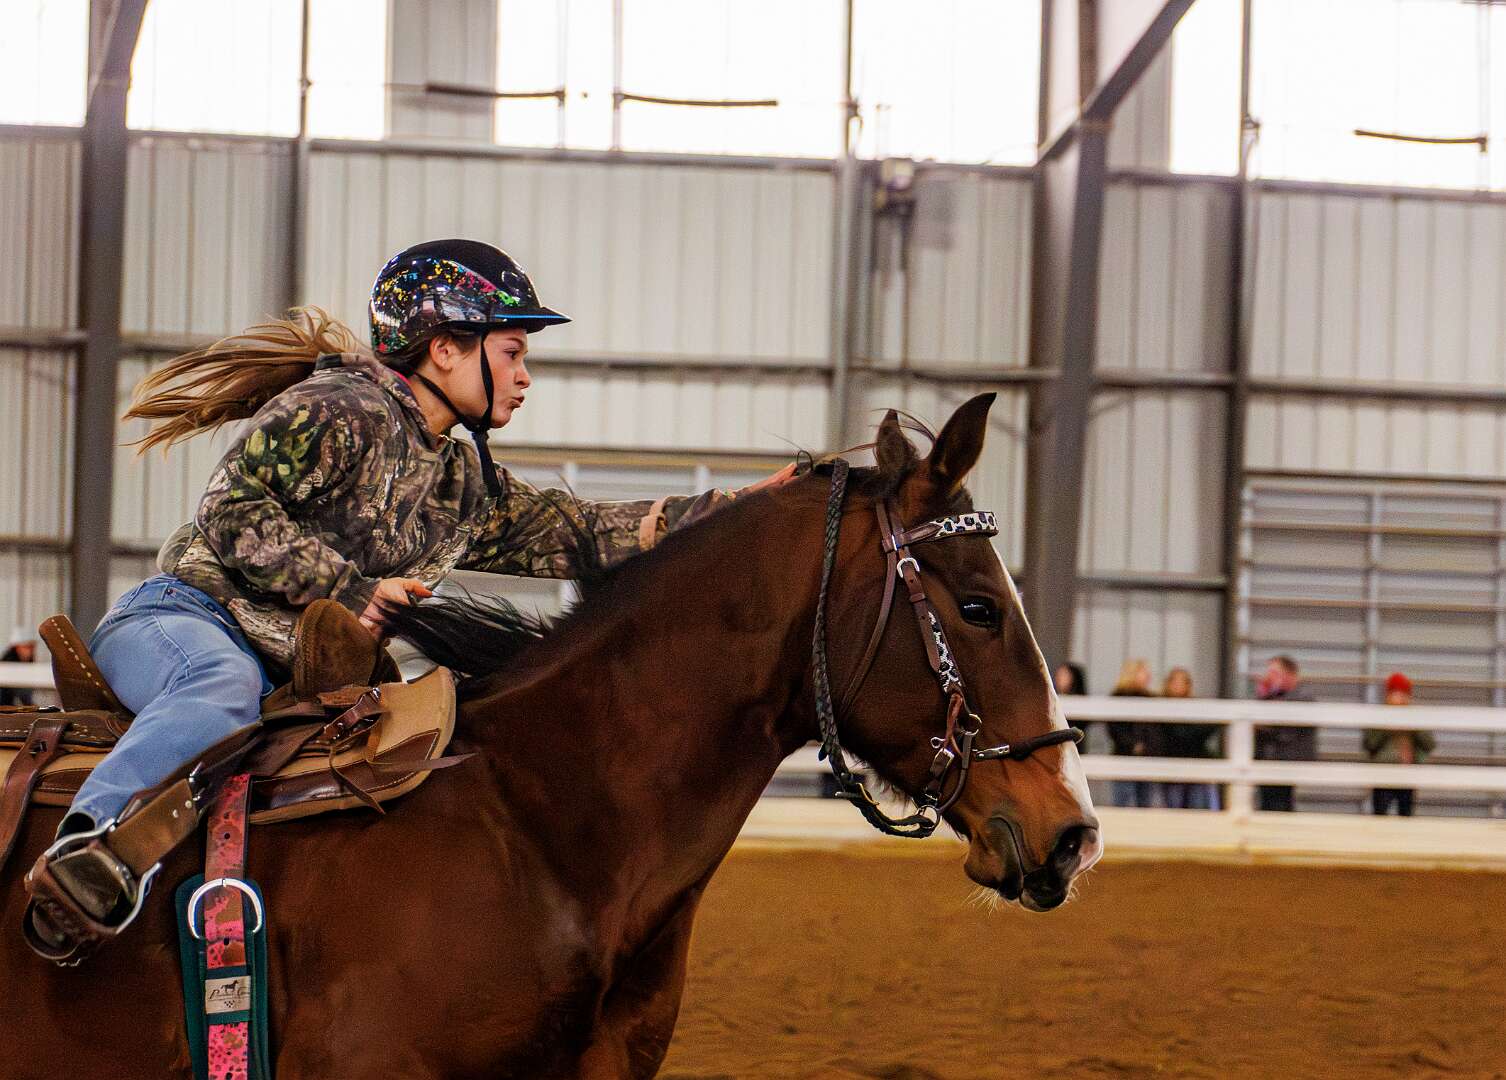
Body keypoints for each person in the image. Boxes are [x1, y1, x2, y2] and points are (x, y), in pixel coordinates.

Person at [25, 238, 795, 955]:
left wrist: (740, 514)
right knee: (216, 687)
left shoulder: (462, 486)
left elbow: (585, 533)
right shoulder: (337, 407)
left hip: (282, 670)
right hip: (180, 620)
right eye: (513, 352)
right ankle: (84, 847)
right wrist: (349, 590)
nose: (525, 376)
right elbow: (231, 510)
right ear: (446, 348)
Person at [1364, 672, 1433, 817]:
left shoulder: (1415, 716)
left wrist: (1413, 724)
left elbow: (1429, 744)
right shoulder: (1378, 715)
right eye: (1394, 693)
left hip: (1407, 773)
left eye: (1402, 694)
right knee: (1380, 816)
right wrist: (1386, 725)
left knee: (1406, 816)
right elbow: (1370, 744)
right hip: (1382, 775)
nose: (1398, 698)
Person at [1254, 655, 1315, 812]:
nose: (1269, 677)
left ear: (1290, 674)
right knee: (1267, 803)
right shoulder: (1272, 695)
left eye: (1274, 673)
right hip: (1268, 758)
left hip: (1287, 759)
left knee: (1280, 803)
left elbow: (1283, 729)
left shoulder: (1303, 696)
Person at [1159, 667, 1221, 811]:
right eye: (1175, 682)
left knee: (1196, 806)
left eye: (1182, 682)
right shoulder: (1161, 706)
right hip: (1172, 764)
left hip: (1195, 763)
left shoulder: (1196, 706)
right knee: (1174, 806)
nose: (1178, 686)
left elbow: (1207, 728)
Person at [1107, 659, 1157, 808]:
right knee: (1122, 798)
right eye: (1144, 672)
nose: (1148, 675)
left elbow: (1156, 730)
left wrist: (1150, 747)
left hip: (1148, 757)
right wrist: (1133, 745)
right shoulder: (1118, 697)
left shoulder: (1152, 698)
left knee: (1145, 800)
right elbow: (1115, 728)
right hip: (1124, 754)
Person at [0, 628, 37, 707]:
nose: (30, 651)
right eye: (27, 647)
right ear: (17, 648)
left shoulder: (27, 663)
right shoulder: (8, 664)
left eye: (32, 647)